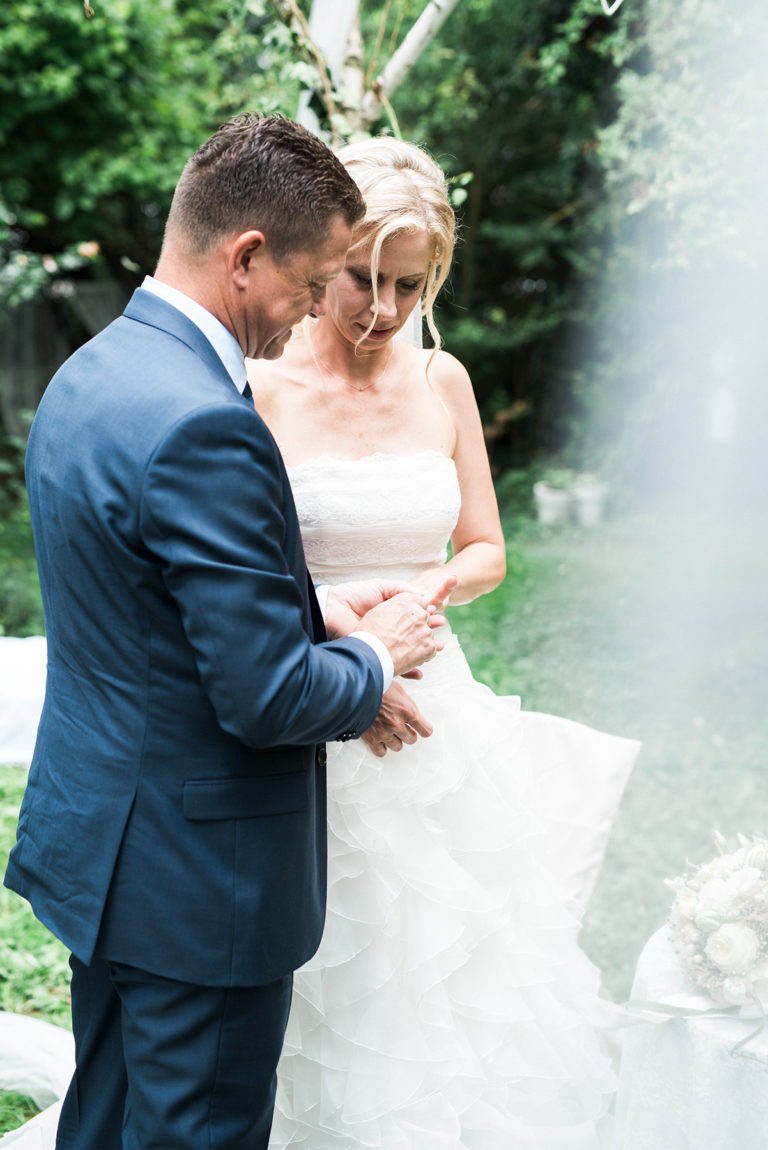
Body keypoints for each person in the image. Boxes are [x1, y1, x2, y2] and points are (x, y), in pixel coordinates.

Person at [3, 114, 454, 1150]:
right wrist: (376, 651)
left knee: (105, 1121)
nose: (316, 311)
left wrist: (310, 609)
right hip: (201, 883)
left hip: (108, 851)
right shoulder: (210, 421)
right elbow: (268, 698)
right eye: (312, 282)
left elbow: (140, 592)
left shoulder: (92, 372)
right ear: (246, 256)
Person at [247, 137, 641, 1149]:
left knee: (459, 950)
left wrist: (423, 598)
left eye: (409, 285)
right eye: (361, 279)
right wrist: (353, 628)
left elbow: (488, 548)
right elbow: (240, 572)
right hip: (319, 695)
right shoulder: (261, 385)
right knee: (332, 955)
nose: (382, 309)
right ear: (321, 259)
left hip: (437, 701)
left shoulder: (442, 377)